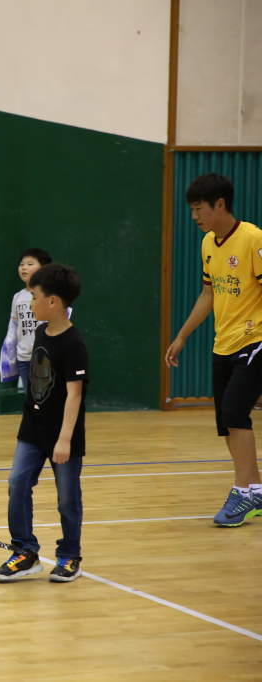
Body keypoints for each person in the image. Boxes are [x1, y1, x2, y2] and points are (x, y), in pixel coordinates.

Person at [166, 172, 262, 526]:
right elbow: (209, 293)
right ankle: (255, 488)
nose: (195, 216)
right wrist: (182, 335)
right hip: (223, 342)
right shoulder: (209, 243)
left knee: (236, 410)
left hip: (255, 341)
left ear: (219, 204)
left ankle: (242, 493)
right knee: (225, 421)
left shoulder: (253, 240)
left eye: (198, 208)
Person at [0, 263, 87, 583]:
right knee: (17, 484)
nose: (30, 304)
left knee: (67, 497)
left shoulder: (74, 344)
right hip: (32, 429)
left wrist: (64, 439)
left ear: (53, 302)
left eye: (34, 297)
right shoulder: (41, 331)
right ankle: (25, 552)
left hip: (63, 433)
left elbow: (74, 396)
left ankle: (69, 556)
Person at [0, 248, 52, 391]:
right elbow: (14, 326)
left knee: (44, 397)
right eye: (22, 264)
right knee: (30, 398)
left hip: (45, 356)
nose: (24, 267)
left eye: (30, 264)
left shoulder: (50, 294)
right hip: (24, 357)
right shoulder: (18, 297)